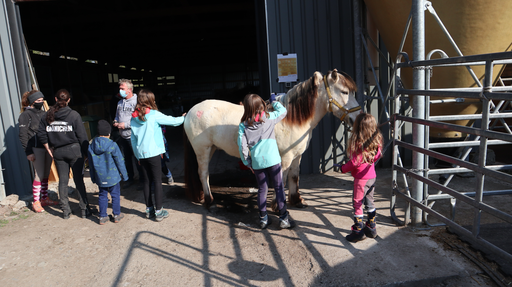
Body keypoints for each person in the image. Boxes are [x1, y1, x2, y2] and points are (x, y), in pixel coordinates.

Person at [37, 89, 95, 219]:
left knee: (63, 181)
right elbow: (82, 136)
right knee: (78, 180)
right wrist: (87, 153)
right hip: (74, 150)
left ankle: (65, 211)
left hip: (58, 152)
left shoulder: (47, 115)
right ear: (69, 100)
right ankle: (84, 210)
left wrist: (49, 149)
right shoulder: (74, 115)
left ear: (55, 99)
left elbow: (41, 134)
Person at [237, 93, 293, 229]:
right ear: (261, 106)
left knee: (262, 189)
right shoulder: (268, 118)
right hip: (273, 160)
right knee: (279, 188)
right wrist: (274, 101)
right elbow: (283, 111)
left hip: (257, 162)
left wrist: (247, 163)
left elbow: (242, 146)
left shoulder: (243, 126)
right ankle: (284, 219)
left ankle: (263, 219)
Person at [130, 89, 186, 222]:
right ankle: (159, 211)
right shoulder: (154, 114)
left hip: (142, 155)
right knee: (157, 182)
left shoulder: (133, 117)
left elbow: (133, 140)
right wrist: (184, 117)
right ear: (150, 100)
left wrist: (137, 156)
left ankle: (149, 210)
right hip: (154, 153)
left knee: (146, 182)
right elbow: (173, 121)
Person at [337, 112, 383, 242]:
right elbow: (378, 155)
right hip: (372, 177)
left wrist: (342, 168)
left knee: (357, 204)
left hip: (361, 180)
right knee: (370, 201)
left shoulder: (358, 144)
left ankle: (358, 231)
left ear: (358, 128)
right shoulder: (377, 141)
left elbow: (355, 162)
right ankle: (371, 227)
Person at [18, 90, 59, 213]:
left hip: (47, 147)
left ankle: (44, 198)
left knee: (46, 174)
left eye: (42, 100)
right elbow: (22, 135)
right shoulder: (25, 115)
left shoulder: (43, 113)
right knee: (39, 174)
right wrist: (28, 152)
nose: (41, 102)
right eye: (38, 101)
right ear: (32, 102)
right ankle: (36, 201)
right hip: (35, 148)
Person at [88, 120, 129, 225]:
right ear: (109, 133)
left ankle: (102, 216)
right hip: (113, 177)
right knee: (115, 195)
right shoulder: (112, 145)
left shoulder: (91, 146)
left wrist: (93, 178)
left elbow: (91, 165)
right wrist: (125, 176)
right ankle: (116, 215)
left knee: (102, 195)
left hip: (100, 177)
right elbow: (120, 161)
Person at [113, 79, 140, 187]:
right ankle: (130, 179)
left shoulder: (137, 101)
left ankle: (143, 180)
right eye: (120, 88)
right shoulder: (120, 103)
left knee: (138, 159)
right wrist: (115, 121)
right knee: (127, 159)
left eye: (122, 89)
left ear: (129, 90)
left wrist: (125, 125)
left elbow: (139, 118)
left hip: (133, 136)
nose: (120, 91)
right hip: (123, 136)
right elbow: (117, 116)